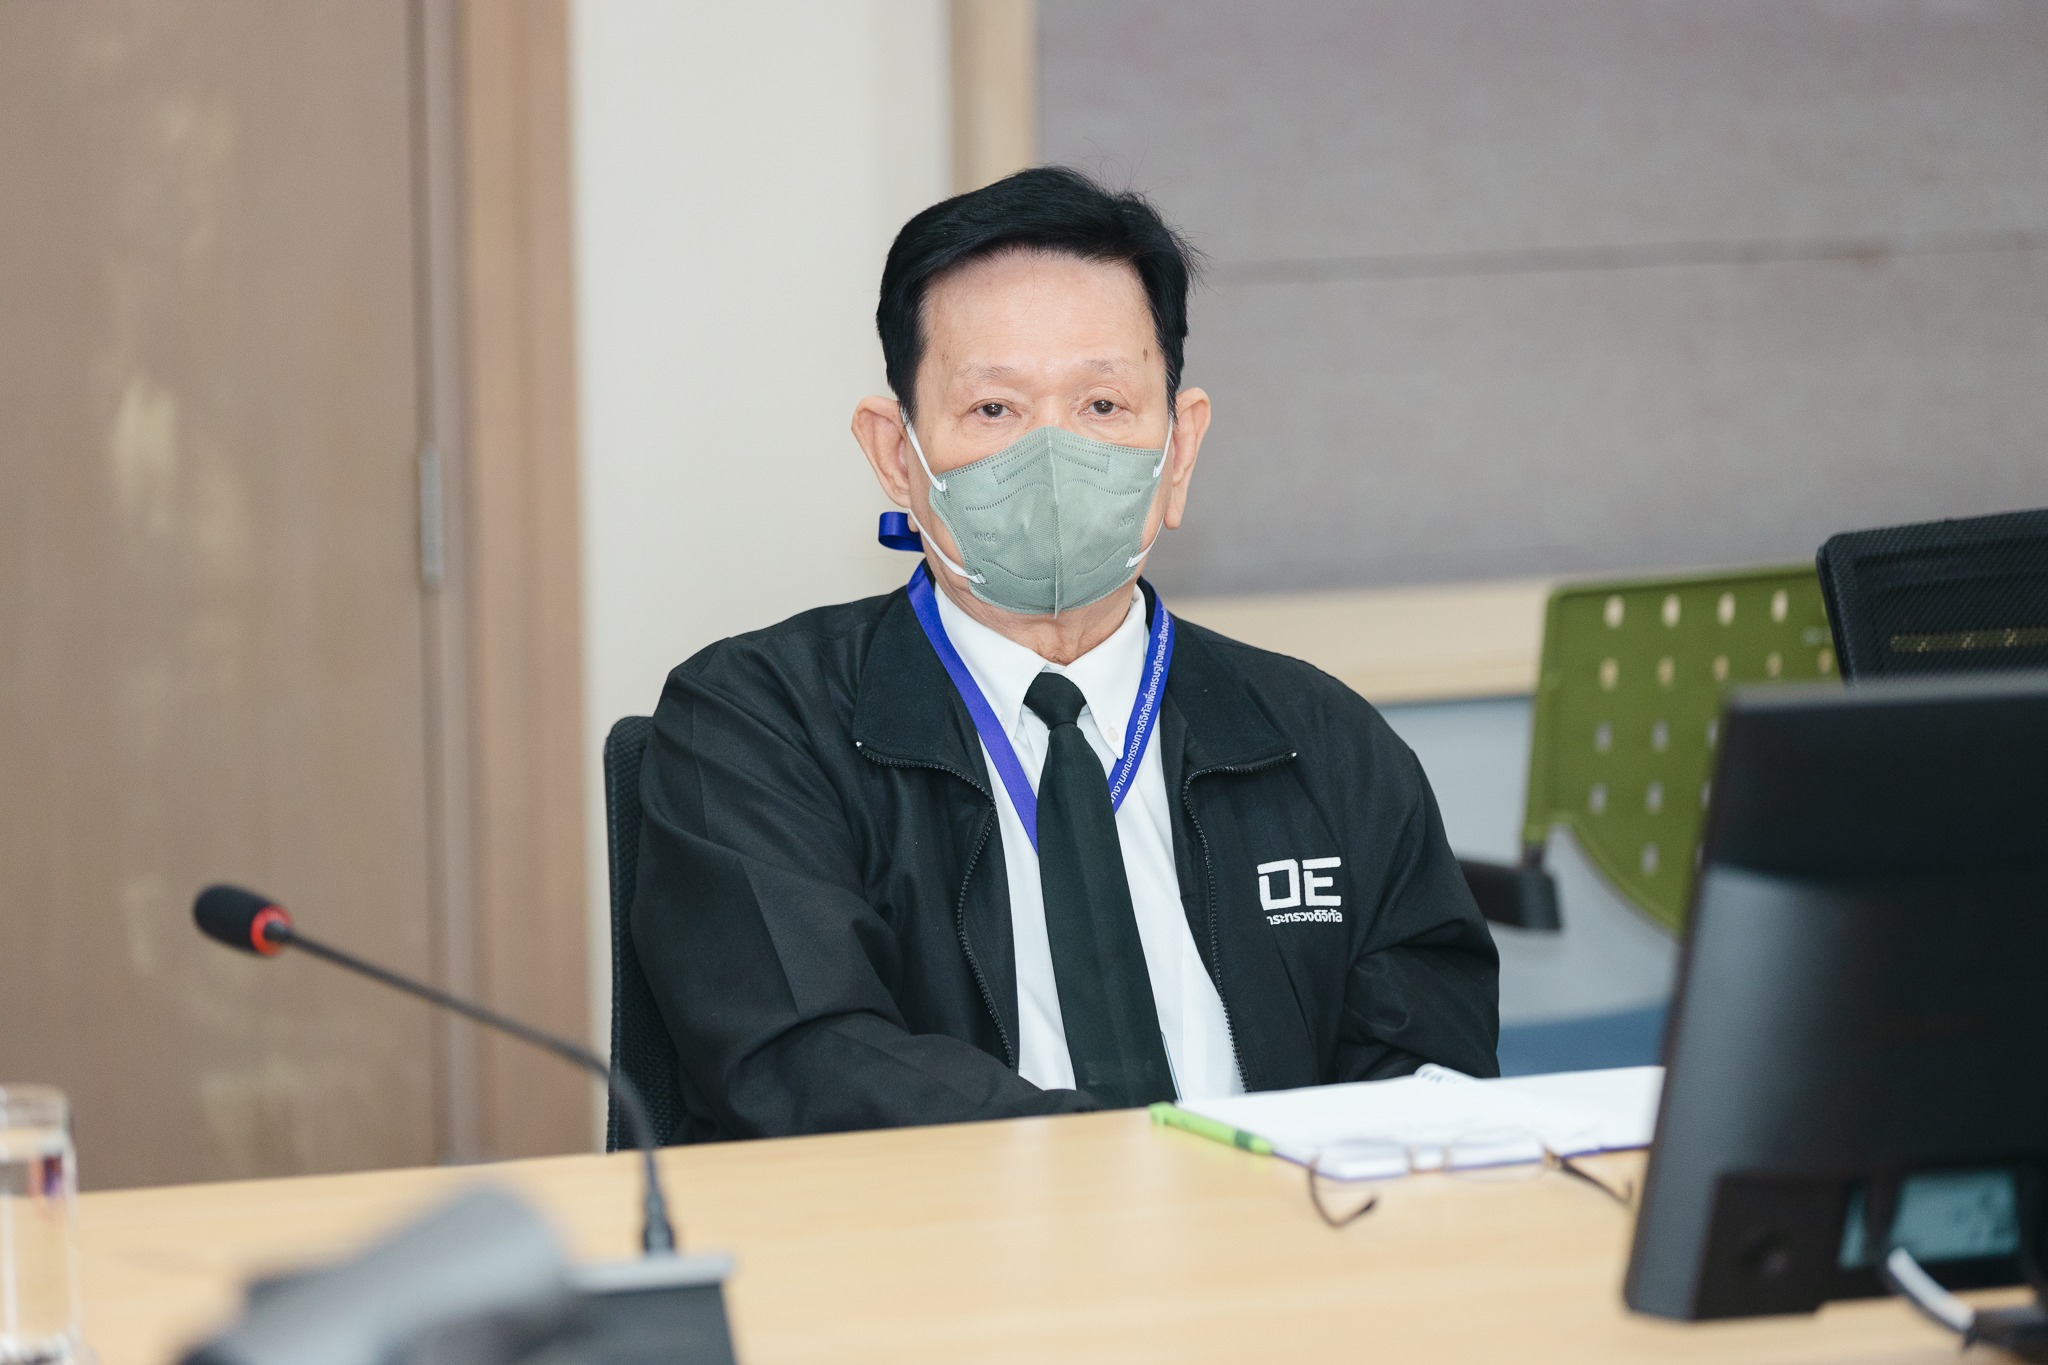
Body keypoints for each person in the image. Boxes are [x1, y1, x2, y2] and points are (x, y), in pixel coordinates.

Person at [630, 167, 1498, 1141]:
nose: (1052, 458)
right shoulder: (757, 724)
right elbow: (805, 1060)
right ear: (896, 456)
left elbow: (1431, 1064)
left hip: (1278, 1226)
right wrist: (1121, 1180)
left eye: (1102, 406)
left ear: (1179, 450)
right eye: (994, 410)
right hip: (949, 1231)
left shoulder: (1319, 739)